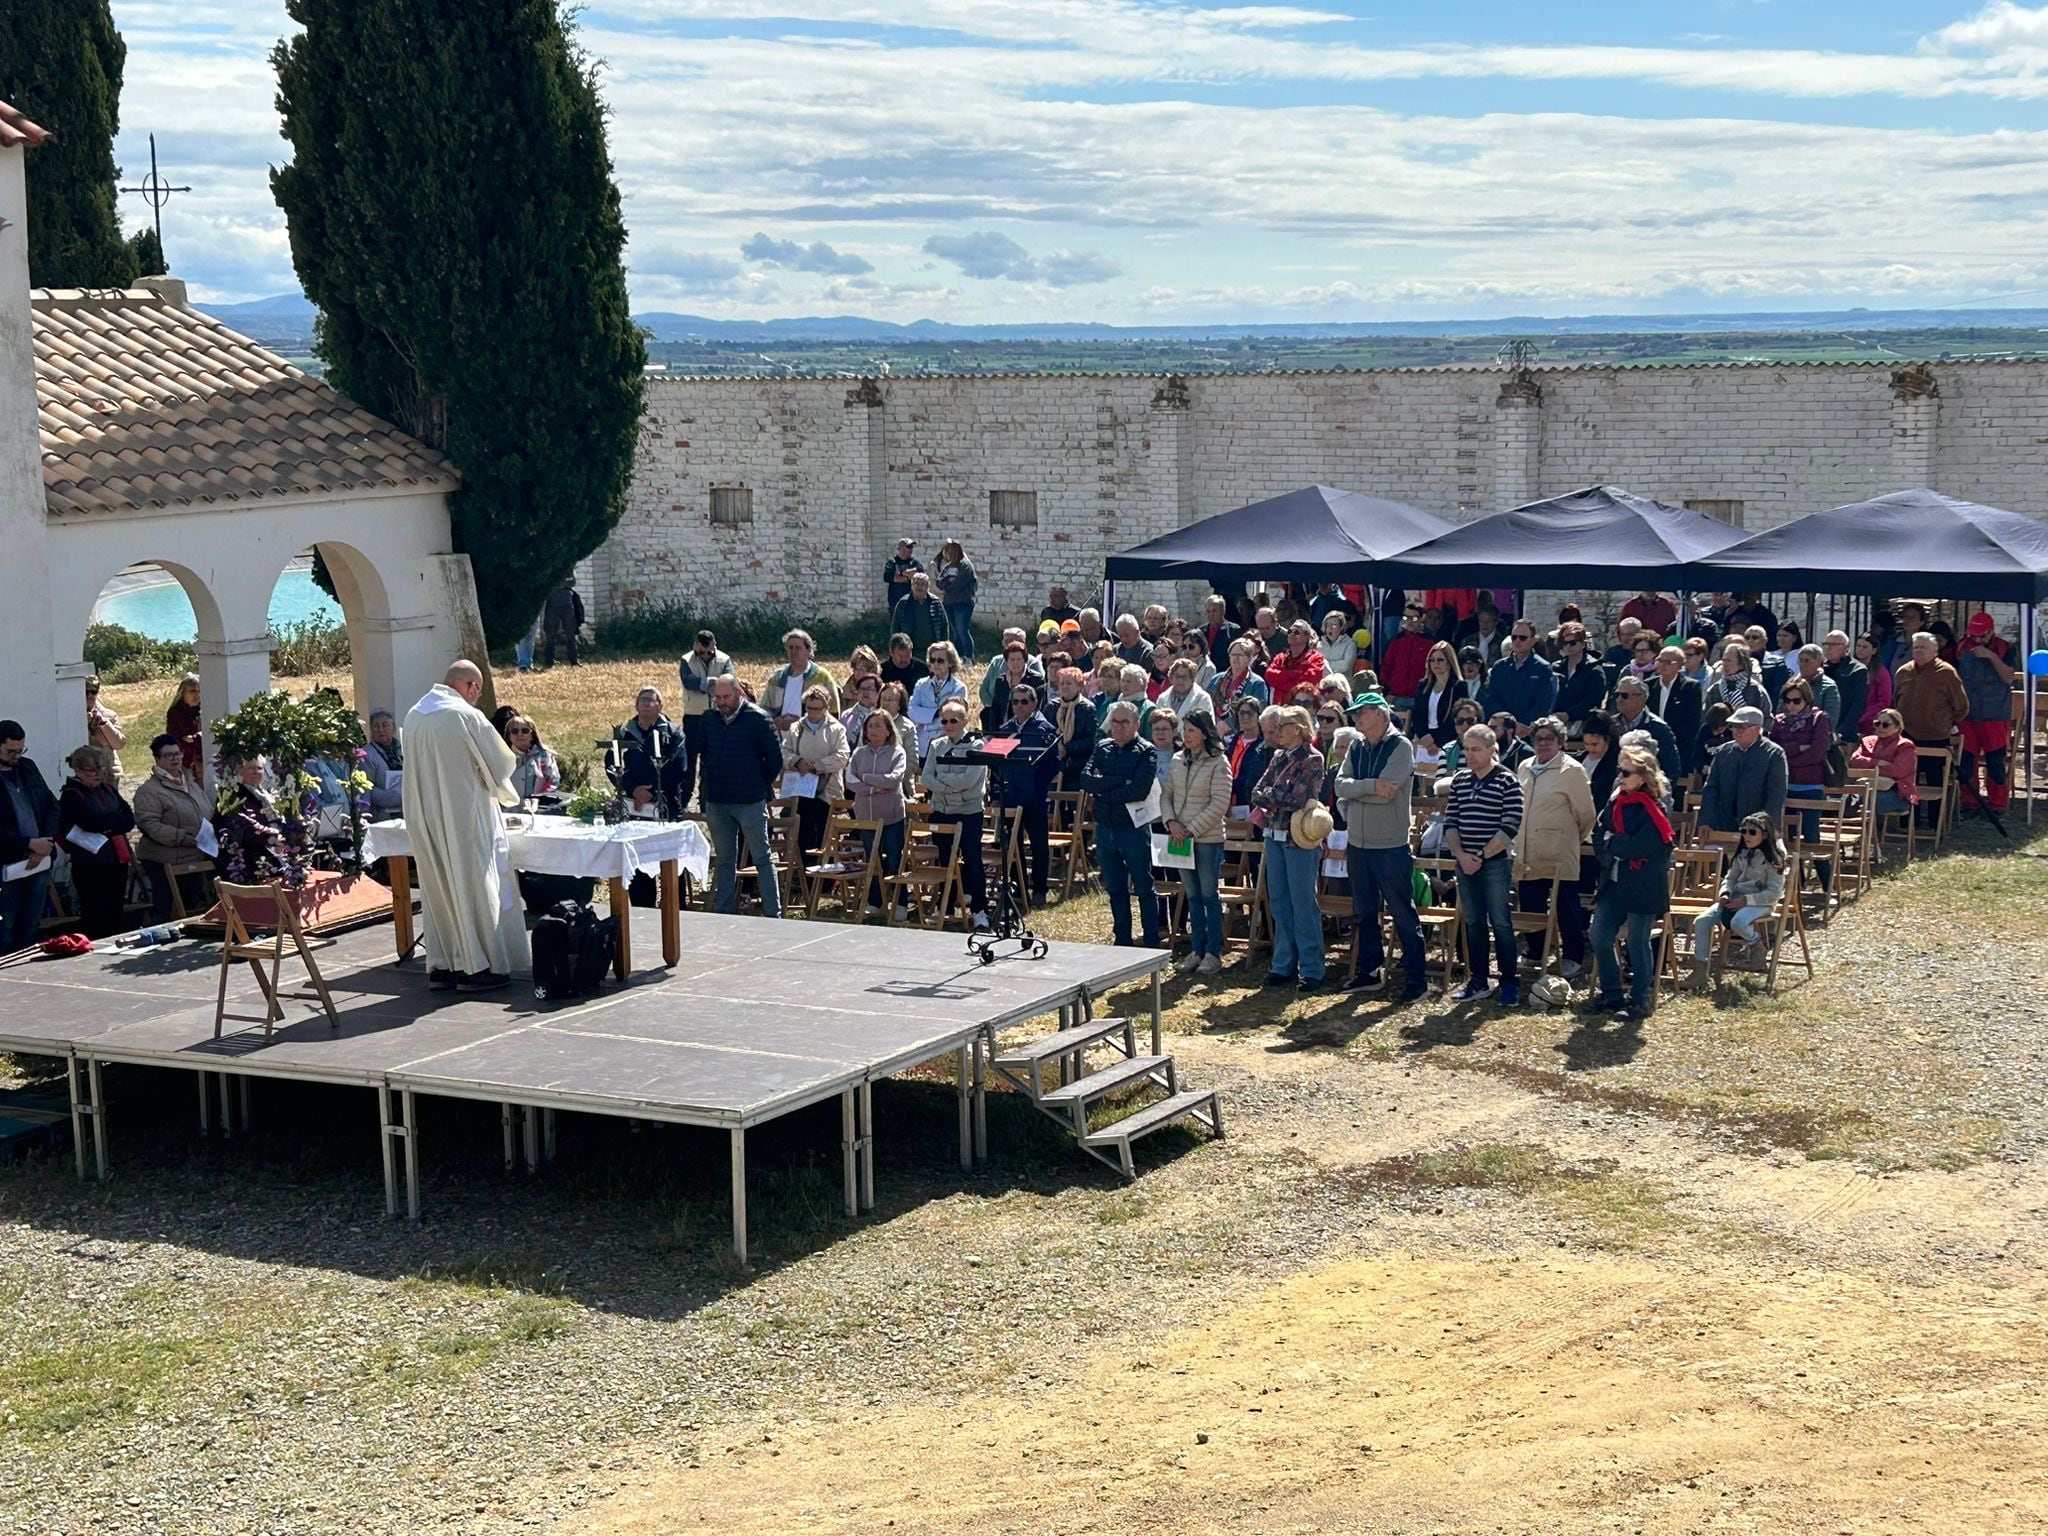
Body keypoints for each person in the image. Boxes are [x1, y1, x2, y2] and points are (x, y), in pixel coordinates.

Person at [402, 662, 523, 990]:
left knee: (438, 887)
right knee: (472, 886)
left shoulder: (414, 715)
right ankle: (477, 966)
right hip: (463, 817)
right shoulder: (465, 716)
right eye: (477, 690)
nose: (477, 697)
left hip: (424, 816)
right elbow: (499, 764)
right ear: (469, 686)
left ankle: (443, 964)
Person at [1333, 693, 1426, 999]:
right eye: (1355, 713)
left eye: (1361, 713)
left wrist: (1357, 790)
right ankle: (1369, 972)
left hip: (1390, 845)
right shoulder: (1357, 746)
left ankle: (1416, 980)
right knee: (1364, 913)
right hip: (1358, 843)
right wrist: (1371, 786)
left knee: (1402, 912)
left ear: (1380, 714)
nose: (1356, 718)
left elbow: (1389, 792)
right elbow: (1339, 785)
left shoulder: (1400, 747)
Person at [1586, 746, 1674, 1024]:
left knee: (1637, 941)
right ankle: (1612, 995)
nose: (1620, 777)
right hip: (1613, 883)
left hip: (1642, 885)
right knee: (1598, 934)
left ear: (1644, 776)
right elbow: (1599, 835)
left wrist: (1615, 843)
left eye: (1626, 772)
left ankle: (1639, 1000)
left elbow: (1645, 846)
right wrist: (1612, 845)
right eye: (1618, 771)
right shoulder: (1615, 801)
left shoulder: (1653, 809)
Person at [1446, 723, 1525, 1005]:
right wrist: (1460, 855)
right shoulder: (1460, 780)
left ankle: (1508, 982)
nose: (1470, 755)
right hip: (1465, 862)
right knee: (1474, 922)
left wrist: (1480, 855)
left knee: (1501, 922)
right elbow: (1451, 822)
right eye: (1466, 749)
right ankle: (1478, 979)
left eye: (1476, 749)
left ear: (1493, 749)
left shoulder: (1508, 781)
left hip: (1495, 863)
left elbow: (1510, 825)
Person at [1249, 705, 1327, 991]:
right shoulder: (1278, 756)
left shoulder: (1313, 759)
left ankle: (1312, 968)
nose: (1278, 731)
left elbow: (1296, 798)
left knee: (1303, 902)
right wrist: (1273, 795)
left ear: (1299, 727)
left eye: (1283, 725)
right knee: (1280, 902)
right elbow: (1257, 790)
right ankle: (1283, 964)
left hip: (1299, 836)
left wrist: (1271, 795)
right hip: (1274, 834)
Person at [1514, 716, 1596, 983]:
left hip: (1560, 850)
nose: (1544, 744)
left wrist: (1571, 837)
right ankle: (1536, 950)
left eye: (1550, 739)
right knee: (1531, 902)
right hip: (1527, 848)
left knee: (1566, 906)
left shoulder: (1572, 770)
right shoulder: (1525, 766)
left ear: (1561, 742)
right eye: (1539, 738)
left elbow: (1586, 814)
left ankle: (1572, 955)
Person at [698, 677, 784, 915]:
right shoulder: (709, 720)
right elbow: (704, 756)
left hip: (750, 801)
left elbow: (774, 759)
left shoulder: (758, 719)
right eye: (718, 698)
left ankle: (773, 913)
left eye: (726, 697)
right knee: (725, 860)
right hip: (718, 800)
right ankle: (724, 911)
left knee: (762, 858)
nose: (722, 702)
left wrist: (756, 785)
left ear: (739, 694)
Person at [1684, 811, 1786, 990]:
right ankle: (1700, 970)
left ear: (1764, 835)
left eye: (1752, 832)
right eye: (1744, 831)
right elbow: (1730, 877)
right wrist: (1725, 892)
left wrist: (1746, 901)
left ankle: (1756, 945)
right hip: (1735, 899)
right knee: (1701, 922)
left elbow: (1773, 893)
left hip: (1760, 903)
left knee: (1738, 921)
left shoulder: (1774, 858)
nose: (1747, 836)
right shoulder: (1742, 853)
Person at [1164, 710, 1231, 974]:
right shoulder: (1178, 759)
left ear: (1204, 732)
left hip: (1206, 839)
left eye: (1192, 730)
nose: (1187, 734)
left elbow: (1219, 803)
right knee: (1191, 895)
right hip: (1179, 837)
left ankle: (1213, 953)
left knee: (1208, 895)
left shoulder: (1219, 762)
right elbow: (1166, 793)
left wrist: (1191, 829)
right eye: (1185, 729)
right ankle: (1196, 949)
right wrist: (1171, 823)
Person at [129, 733, 213, 923]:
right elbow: (150, 825)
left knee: (193, 905)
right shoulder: (149, 791)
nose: (175, 758)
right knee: (167, 910)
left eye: (177, 753)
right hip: (163, 860)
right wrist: (181, 837)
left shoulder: (190, 784)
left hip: (195, 855)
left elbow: (205, 811)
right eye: (168, 755)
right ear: (157, 759)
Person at [922, 700, 990, 930]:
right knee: (945, 861)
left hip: (968, 812)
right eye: (944, 720)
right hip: (942, 812)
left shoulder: (978, 746)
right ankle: (947, 906)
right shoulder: (936, 745)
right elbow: (926, 778)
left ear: (965, 721)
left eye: (954, 720)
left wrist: (944, 784)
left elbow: (969, 781)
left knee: (972, 861)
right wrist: (949, 786)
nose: (948, 725)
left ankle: (980, 911)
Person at [55, 746, 135, 938]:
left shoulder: (107, 789)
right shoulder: (71, 794)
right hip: (90, 864)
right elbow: (91, 822)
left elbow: (128, 818)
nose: (97, 774)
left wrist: (110, 824)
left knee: (115, 910)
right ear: (79, 770)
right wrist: (113, 821)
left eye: (100, 769)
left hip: (116, 859)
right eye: (92, 770)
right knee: (95, 913)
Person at [1894, 631, 1968, 827]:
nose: (1918, 651)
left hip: (1936, 737)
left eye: (1923, 647)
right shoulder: (1903, 672)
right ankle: (1909, 821)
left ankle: (1936, 822)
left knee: (1935, 781)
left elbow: (1961, 706)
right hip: (1908, 736)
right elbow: (1896, 701)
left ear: (1935, 651)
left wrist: (1944, 723)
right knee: (1907, 779)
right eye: (1916, 647)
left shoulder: (1947, 672)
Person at [0, 722, 61, 951]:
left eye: (20, 750)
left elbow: (52, 806)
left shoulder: (27, 768)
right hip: (8, 861)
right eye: (10, 751)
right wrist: (27, 843)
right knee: (6, 926)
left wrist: (45, 842)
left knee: (31, 924)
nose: (16, 756)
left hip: (39, 859)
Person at [845, 709, 909, 916]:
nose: (873, 730)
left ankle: (900, 903)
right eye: (870, 726)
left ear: (889, 731)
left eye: (878, 726)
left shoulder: (897, 752)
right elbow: (850, 780)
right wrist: (871, 788)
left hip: (891, 815)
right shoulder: (859, 753)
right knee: (873, 859)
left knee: (893, 858)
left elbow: (894, 779)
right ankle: (876, 902)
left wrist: (866, 776)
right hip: (866, 816)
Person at [1955, 612, 2018, 817]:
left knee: (1995, 762)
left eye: (1982, 636)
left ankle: (1997, 804)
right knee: (1966, 761)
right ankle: (1970, 802)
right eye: (1974, 635)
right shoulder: (1961, 647)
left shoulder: (2006, 648)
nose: (1977, 640)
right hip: (1968, 713)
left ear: (1992, 631)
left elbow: (2009, 678)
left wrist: (1991, 657)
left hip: (1996, 714)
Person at [781, 685, 849, 868]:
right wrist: (797, 761)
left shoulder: (836, 729)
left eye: (817, 708)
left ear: (826, 707)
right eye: (809, 708)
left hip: (826, 792)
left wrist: (817, 766)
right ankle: (805, 875)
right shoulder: (796, 728)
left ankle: (826, 880)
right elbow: (784, 752)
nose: (812, 712)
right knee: (804, 835)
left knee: (824, 835)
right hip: (801, 791)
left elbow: (842, 756)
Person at [1699, 706, 1788, 833]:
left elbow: (1776, 795)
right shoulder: (1723, 752)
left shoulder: (1774, 754)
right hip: (1723, 824)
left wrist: (1766, 827)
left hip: (1758, 828)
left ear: (1757, 729)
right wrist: (1706, 821)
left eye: (1742, 727)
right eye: (1733, 726)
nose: (1736, 731)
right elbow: (1711, 788)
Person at [617, 686, 693, 819]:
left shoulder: (673, 733)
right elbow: (612, 763)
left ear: (660, 706)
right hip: (632, 802)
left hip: (666, 802)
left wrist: (651, 792)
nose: (647, 703)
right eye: (643, 700)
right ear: (636, 705)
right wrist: (633, 789)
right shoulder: (625, 733)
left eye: (652, 700)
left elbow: (679, 768)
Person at [1483, 620, 1556, 737]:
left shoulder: (1543, 668)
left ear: (1533, 640)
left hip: (1529, 732)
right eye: (1514, 637)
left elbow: (1543, 704)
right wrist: (1507, 723)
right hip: (1500, 732)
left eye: (1522, 638)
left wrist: (1523, 725)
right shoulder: (1499, 667)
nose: (1517, 641)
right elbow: (1490, 697)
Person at [1609, 677, 1683, 785]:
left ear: (1642, 698)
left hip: (1646, 794)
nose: (1618, 699)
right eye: (1617, 695)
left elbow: (1671, 770)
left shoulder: (1659, 729)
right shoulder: (1609, 725)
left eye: (1624, 695)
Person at [762, 629, 839, 724]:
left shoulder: (822, 677)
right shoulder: (776, 678)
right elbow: (764, 709)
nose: (793, 651)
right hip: (780, 734)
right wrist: (775, 721)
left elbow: (834, 711)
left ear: (809, 650)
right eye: (790, 648)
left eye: (798, 648)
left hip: (811, 734)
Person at [909, 641, 969, 758]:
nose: (936, 664)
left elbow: (954, 716)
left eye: (940, 660)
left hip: (946, 741)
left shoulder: (959, 688)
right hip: (922, 743)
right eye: (932, 660)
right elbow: (912, 711)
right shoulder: (921, 684)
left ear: (950, 663)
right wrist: (936, 713)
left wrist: (926, 717)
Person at [1408, 641, 1469, 754]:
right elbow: (1417, 714)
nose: (1435, 663)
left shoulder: (1459, 687)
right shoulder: (1423, 685)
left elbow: (1456, 717)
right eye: (1432, 660)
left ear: (1449, 663)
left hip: (1448, 742)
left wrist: (1437, 742)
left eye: (1440, 660)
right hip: (1424, 741)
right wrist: (1425, 737)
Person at [678, 629, 736, 746]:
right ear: (695, 646)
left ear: (715, 645)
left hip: (719, 713)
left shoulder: (725, 660)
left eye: (709, 652)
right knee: (691, 752)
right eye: (701, 652)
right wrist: (710, 682)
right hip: (693, 714)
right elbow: (688, 682)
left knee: (714, 751)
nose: (705, 655)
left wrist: (701, 683)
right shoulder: (686, 660)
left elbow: (729, 681)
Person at [1647, 645, 1702, 766]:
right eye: (1659, 660)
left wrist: (1669, 741)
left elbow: (1691, 723)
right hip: (1651, 746)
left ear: (1680, 665)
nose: (1662, 665)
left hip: (1678, 748)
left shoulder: (1691, 687)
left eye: (1667, 662)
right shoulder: (1648, 686)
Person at [1551, 622, 1607, 736]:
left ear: (1583, 644)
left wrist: (1569, 715)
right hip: (1556, 720)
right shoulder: (1556, 668)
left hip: (1583, 723)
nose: (1568, 646)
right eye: (1564, 643)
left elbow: (1593, 699)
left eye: (1572, 643)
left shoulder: (1594, 669)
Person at [1050, 666, 1098, 793]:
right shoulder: (1052, 707)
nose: (1065, 687)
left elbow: (1091, 740)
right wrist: (1056, 747)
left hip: (1078, 766)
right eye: (1062, 683)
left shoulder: (1087, 708)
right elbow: (1045, 734)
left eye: (1069, 683)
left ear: (1079, 686)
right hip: (1055, 765)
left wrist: (1068, 747)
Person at [1821, 631, 1868, 744]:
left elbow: (1858, 705)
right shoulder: (1820, 669)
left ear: (1845, 648)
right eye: (1826, 644)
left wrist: (1841, 731)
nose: (1829, 648)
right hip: (1821, 732)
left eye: (1834, 645)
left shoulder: (1857, 670)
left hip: (1844, 735)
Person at [1264, 620, 1327, 705]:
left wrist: (1281, 683)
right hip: (1279, 707)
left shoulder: (1316, 658)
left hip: (1302, 707)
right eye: (1290, 631)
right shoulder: (1280, 658)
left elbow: (1308, 681)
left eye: (1296, 632)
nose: (1291, 634)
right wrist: (1294, 674)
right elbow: (1269, 675)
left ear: (1306, 637)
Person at [935, 539, 978, 661]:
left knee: (962, 630)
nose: (945, 554)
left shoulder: (965, 565)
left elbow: (960, 582)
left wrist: (948, 582)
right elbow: (939, 582)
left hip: (962, 603)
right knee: (955, 632)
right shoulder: (947, 567)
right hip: (949, 602)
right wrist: (949, 581)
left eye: (948, 551)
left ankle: (969, 657)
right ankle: (959, 656)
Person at [891, 569, 948, 655]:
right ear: (912, 586)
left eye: (923, 584)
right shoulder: (903, 603)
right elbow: (895, 627)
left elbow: (944, 625)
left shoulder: (936, 603)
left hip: (932, 650)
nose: (919, 587)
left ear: (928, 587)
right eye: (916, 583)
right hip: (910, 651)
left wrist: (943, 645)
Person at [362, 709, 405, 818]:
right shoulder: (366, 755)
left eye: (385, 725)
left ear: (394, 728)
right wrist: (393, 796)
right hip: (381, 816)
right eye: (376, 726)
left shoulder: (404, 750)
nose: (381, 730)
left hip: (406, 813)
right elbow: (366, 788)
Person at [504, 715, 559, 801]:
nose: (520, 734)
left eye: (525, 731)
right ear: (509, 736)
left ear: (532, 734)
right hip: (509, 806)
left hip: (538, 806)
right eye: (515, 731)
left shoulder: (544, 755)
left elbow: (553, 780)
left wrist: (542, 798)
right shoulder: (503, 755)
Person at [1708, 640, 1769, 712]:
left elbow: (1767, 716)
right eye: (1723, 660)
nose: (1725, 664)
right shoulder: (1715, 689)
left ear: (1741, 664)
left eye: (1729, 660)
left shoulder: (1756, 689)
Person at [85, 678, 126, 780]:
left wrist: (104, 723)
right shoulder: (71, 717)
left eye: (93, 692)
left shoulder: (109, 715)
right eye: (86, 692)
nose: (89, 696)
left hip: (110, 772)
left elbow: (119, 744)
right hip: (87, 773)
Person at [1792, 644, 1841, 729]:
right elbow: (1781, 711)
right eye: (1800, 660)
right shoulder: (1791, 683)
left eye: (1807, 661)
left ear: (1819, 662)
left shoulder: (1829, 686)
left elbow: (1831, 719)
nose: (1802, 664)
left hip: (1817, 735)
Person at [167, 672, 205, 782]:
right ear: (183, 693)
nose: (197, 695)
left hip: (204, 758)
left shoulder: (205, 709)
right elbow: (174, 740)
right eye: (192, 691)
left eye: (199, 691)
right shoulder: (175, 713)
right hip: (185, 761)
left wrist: (195, 738)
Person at [1852, 633, 1894, 732]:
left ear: (1874, 650)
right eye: (1858, 646)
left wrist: (1864, 717)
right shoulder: (1849, 669)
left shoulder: (1881, 672)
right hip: (1850, 722)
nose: (1860, 649)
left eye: (1865, 647)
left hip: (1870, 725)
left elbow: (1884, 701)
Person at [1580, 710, 1620, 809]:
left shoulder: (1616, 764)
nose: (1590, 749)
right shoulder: (1579, 758)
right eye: (1586, 744)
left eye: (1595, 744)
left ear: (1608, 739)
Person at [542, 578, 583, 668]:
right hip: (552, 603)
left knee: (570, 633)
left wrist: (559, 584)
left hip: (567, 603)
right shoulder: (550, 569)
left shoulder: (567, 568)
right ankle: (549, 662)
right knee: (550, 634)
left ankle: (574, 660)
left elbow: (572, 582)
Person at [1688, 701, 1732, 781]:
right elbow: (1696, 755)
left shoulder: (1732, 733)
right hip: (1708, 777)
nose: (1715, 733)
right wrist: (1702, 766)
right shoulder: (1704, 730)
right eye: (1713, 729)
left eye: (1720, 729)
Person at [883, 537, 923, 613]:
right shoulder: (892, 562)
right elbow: (888, 577)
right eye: (909, 547)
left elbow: (919, 574)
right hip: (895, 601)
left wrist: (901, 575)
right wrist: (908, 577)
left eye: (912, 547)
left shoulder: (915, 562)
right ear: (901, 548)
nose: (911, 549)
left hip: (912, 600)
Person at [1317, 611, 1358, 676]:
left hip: (1341, 684)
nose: (1330, 628)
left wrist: (1324, 665)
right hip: (1323, 684)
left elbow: (1345, 666)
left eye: (1334, 625)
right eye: (1327, 625)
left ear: (1341, 627)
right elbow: (1314, 664)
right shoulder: (1318, 645)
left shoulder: (1350, 644)